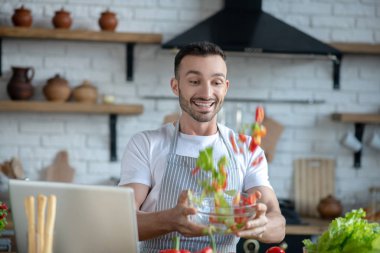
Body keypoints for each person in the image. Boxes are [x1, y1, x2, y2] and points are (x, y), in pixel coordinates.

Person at [119, 41, 286, 252]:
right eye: (195, 81)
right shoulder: (146, 144)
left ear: (225, 88)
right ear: (175, 86)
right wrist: (170, 220)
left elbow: (278, 224)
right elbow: (122, 221)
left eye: (216, 82)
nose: (207, 93)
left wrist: (261, 225)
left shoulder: (246, 148)